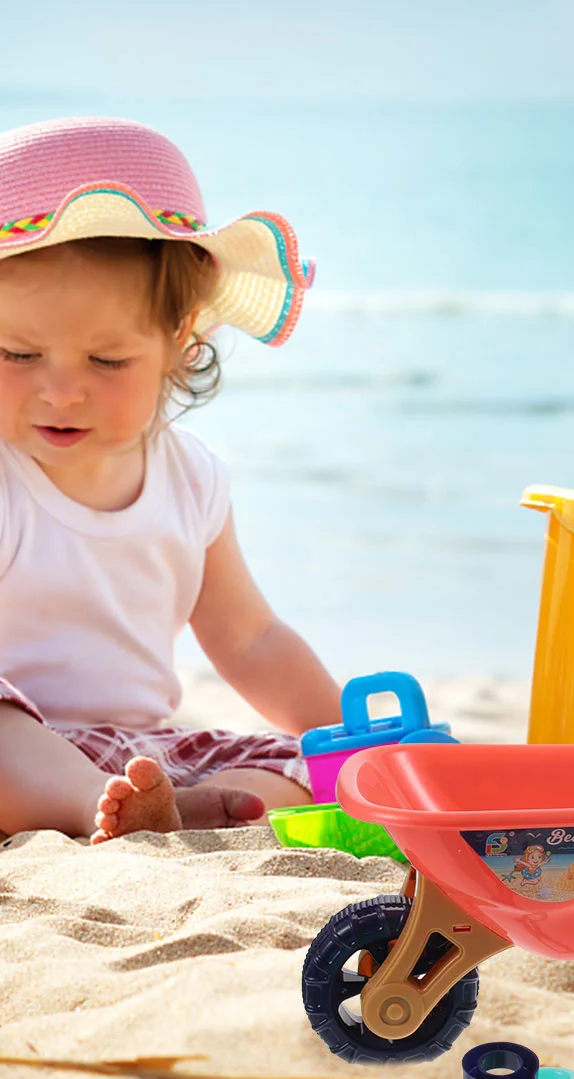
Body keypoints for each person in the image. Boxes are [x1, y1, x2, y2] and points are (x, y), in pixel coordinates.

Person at [0, 116, 336, 843]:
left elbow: (250, 639)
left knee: (289, 769)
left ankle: (171, 810)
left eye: (107, 361)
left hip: (139, 753)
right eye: (18, 355)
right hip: (19, 742)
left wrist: (342, 734)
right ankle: (95, 804)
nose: (59, 392)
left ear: (180, 340)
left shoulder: (192, 479)